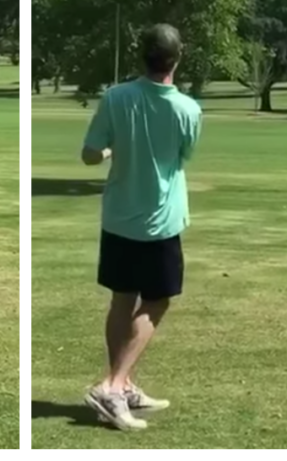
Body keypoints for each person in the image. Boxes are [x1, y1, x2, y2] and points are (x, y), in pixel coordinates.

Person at [80, 24, 202, 430]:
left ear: (141, 56)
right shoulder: (188, 109)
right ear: (176, 58)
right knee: (158, 301)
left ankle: (125, 384)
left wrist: (114, 148)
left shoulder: (115, 97)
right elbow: (181, 157)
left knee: (122, 299)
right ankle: (112, 387)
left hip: (119, 217)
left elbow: (89, 155)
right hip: (160, 222)